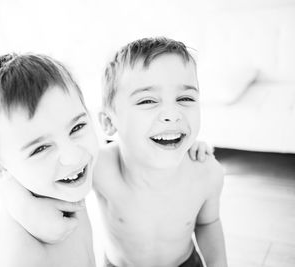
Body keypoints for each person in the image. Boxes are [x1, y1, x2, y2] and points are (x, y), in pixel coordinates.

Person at [93, 36, 227, 266]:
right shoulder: (100, 168)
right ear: (109, 122)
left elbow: (208, 223)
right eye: (147, 101)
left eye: (185, 98)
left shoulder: (207, 174)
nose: (172, 114)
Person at [0, 53, 99, 267]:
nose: (72, 157)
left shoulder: (58, 182)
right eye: (41, 148)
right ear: (0, 168)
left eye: (77, 127)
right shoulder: (22, 257)